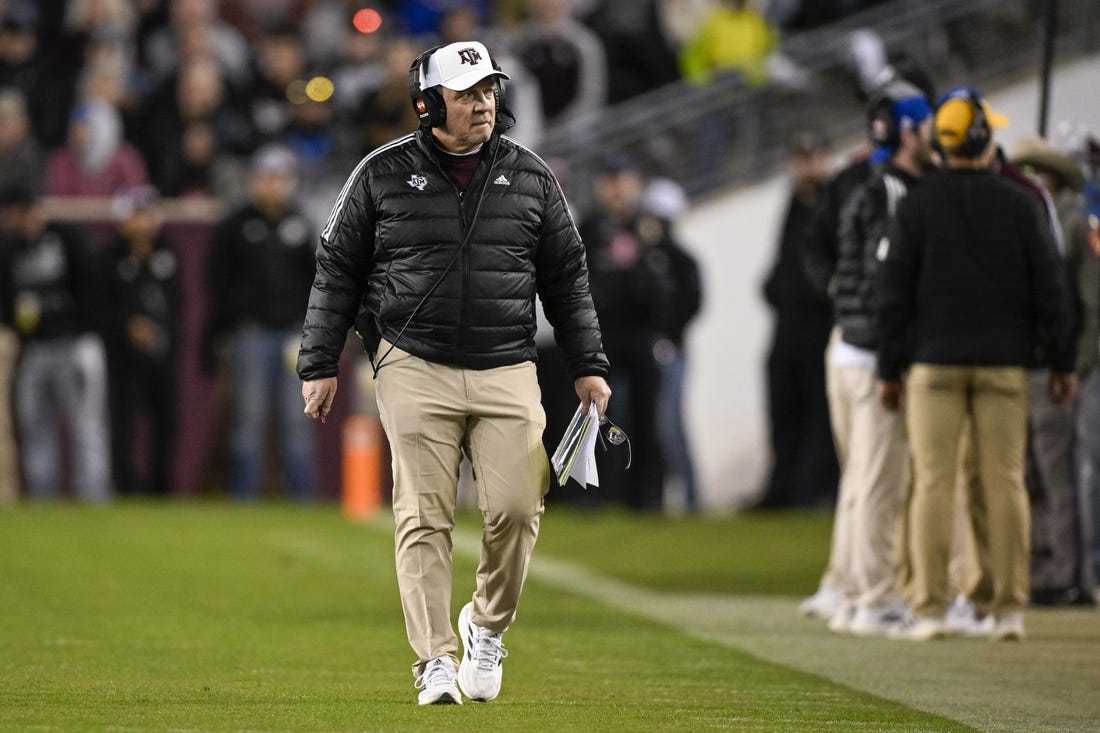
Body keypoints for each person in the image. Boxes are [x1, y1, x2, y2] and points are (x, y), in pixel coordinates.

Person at [296, 41, 610, 705]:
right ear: (428, 102)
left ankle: (486, 625)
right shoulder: (380, 173)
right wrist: (321, 361)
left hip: (506, 363)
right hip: (414, 361)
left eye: (488, 90)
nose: (483, 103)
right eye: (467, 93)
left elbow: (567, 275)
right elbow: (337, 270)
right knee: (423, 515)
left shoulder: (531, 175)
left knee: (519, 507)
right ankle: (434, 658)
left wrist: (588, 364)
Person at [876, 88, 1077, 641]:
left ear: (940, 146)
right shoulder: (1022, 202)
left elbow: (894, 298)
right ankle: (1007, 608)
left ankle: (931, 608)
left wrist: (889, 372)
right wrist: (1061, 361)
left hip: (934, 365)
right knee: (1005, 481)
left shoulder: (918, 206)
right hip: (1004, 365)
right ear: (987, 142)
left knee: (935, 483)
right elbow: (1050, 290)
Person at [819, 84, 936, 636]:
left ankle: (848, 592)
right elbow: (887, 284)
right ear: (910, 131)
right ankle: (875, 597)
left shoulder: (870, 185)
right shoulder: (892, 192)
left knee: (863, 480)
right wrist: (896, 358)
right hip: (870, 355)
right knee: (879, 483)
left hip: (852, 347)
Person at [1011, 134, 1097, 606]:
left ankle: (1070, 571)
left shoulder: (1075, 223)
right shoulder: (1032, 219)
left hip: (1057, 369)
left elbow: (1090, 303)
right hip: (1028, 364)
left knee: (1060, 474)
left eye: (1032, 170)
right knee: (1029, 474)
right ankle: (1042, 565)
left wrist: (1077, 365)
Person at [205, 145, 317, 500]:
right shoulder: (235, 225)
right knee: (247, 422)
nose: (273, 185)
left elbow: (317, 282)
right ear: (254, 181)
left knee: (295, 422)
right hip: (250, 332)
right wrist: (227, 325)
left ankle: (301, 500)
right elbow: (216, 281)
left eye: (280, 178)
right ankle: (244, 498)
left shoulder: (301, 224)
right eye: (266, 178)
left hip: (291, 336)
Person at [0, 185, 111, 501]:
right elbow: (8, 301)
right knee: (36, 427)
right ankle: (42, 498)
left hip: (73, 344)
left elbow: (92, 286)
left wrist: (82, 330)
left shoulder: (67, 238)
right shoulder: (9, 251)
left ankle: (92, 495)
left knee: (85, 425)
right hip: (35, 349)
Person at [579, 154, 668, 511]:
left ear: (634, 184)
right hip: (602, 335)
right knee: (595, 416)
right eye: (609, 180)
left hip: (642, 333)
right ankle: (598, 492)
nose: (616, 189)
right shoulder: (589, 227)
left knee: (649, 416)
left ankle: (647, 495)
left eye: (622, 180)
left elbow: (668, 283)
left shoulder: (649, 226)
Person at [757, 128, 837, 511]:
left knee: (820, 409)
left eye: (812, 157)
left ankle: (813, 489)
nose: (805, 166)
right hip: (787, 325)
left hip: (820, 325)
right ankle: (783, 488)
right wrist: (774, 287)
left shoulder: (834, 203)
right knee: (783, 406)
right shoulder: (793, 203)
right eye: (801, 159)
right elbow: (787, 261)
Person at [99, 184, 180, 496]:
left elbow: (177, 302)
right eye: (137, 213)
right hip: (124, 355)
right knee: (125, 422)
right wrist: (128, 327)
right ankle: (125, 488)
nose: (144, 221)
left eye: (148, 213)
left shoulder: (166, 252)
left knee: (166, 421)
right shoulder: (110, 257)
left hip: (163, 351)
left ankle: (161, 488)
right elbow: (100, 306)